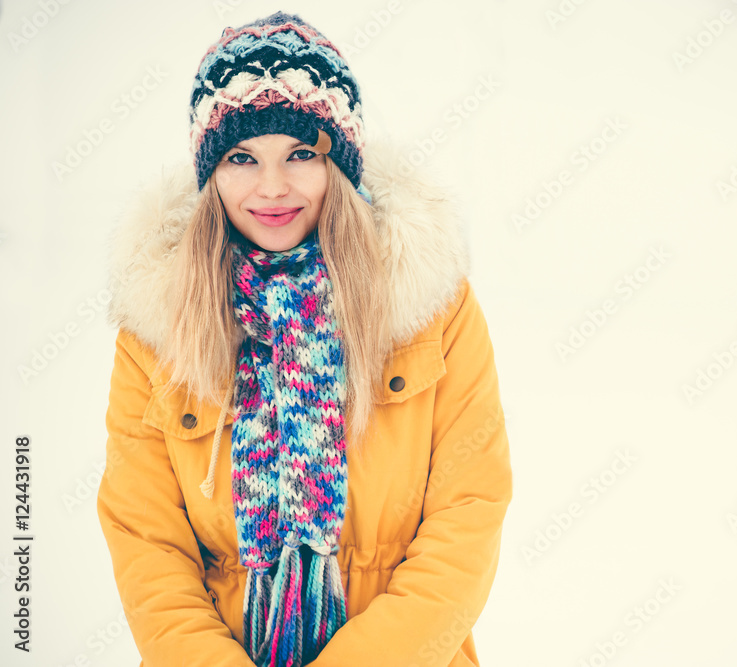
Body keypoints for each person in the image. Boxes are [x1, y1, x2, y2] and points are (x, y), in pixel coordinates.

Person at [95, 11, 513, 667]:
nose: (271, 187)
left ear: (339, 163)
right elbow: (148, 542)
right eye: (241, 157)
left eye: (300, 154)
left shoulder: (432, 306)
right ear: (210, 172)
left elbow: (470, 513)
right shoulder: (160, 329)